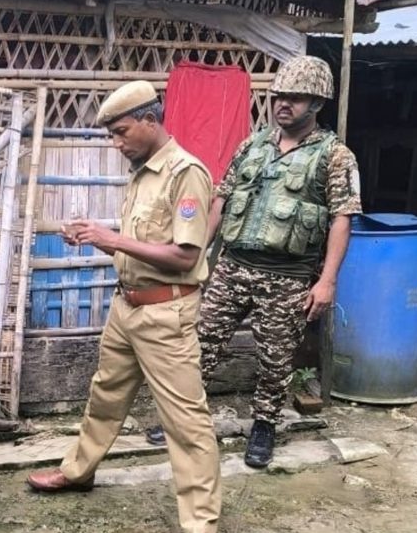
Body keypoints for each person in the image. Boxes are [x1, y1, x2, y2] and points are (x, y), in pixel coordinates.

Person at [26, 81, 222, 533]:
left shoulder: (186, 173)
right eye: (111, 135)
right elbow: (140, 247)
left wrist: (110, 238)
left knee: (186, 422)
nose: (116, 143)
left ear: (150, 121)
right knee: (105, 396)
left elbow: (184, 255)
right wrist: (97, 237)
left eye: (121, 132)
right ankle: (78, 472)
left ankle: (201, 529)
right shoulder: (141, 173)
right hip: (127, 307)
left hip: (166, 315)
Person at [143, 56, 363, 469]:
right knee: (200, 344)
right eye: (279, 96)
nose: (283, 104)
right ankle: (181, 419)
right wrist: (196, 252)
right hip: (232, 267)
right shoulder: (252, 145)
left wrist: (328, 281)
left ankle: (264, 425)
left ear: (317, 103)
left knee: (276, 360)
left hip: (288, 276)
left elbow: (342, 218)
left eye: (295, 98)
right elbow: (222, 199)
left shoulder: (335, 156)